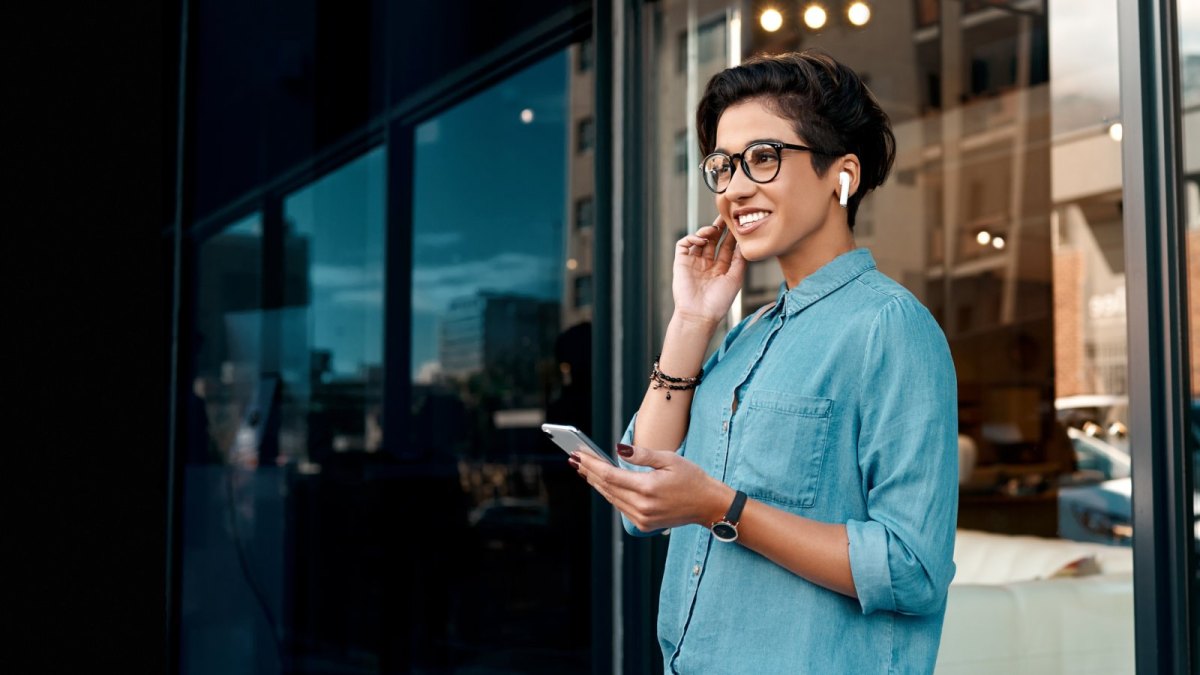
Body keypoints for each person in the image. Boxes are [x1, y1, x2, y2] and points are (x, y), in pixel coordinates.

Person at [571, 50, 958, 674]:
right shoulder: (745, 335)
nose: (735, 188)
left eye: (763, 158)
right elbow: (645, 489)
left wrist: (721, 509)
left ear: (843, 175)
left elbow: (911, 569)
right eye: (722, 167)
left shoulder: (889, 327)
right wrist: (692, 320)